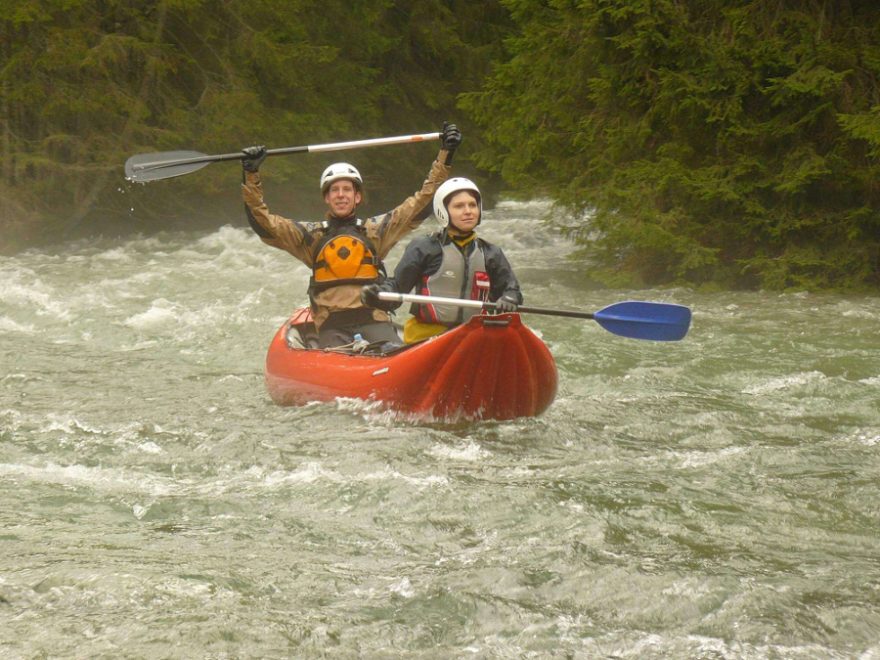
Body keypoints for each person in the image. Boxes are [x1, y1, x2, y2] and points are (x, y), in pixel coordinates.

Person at [240, 123, 461, 348]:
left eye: (347, 189)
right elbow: (263, 223)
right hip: (332, 326)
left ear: (357, 197)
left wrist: (446, 154)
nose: (341, 195)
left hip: (373, 319)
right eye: (334, 190)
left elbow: (422, 202)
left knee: (392, 348)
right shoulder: (310, 236)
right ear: (327, 198)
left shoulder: (376, 230)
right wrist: (250, 173)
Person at [361, 177, 522, 344]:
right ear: (443, 211)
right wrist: (378, 295)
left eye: (472, 205)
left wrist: (510, 298)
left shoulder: (491, 253)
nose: (468, 211)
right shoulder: (425, 248)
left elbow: (511, 289)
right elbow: (397, 287)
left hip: (473, 336)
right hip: (427, 338)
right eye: (459, 206)